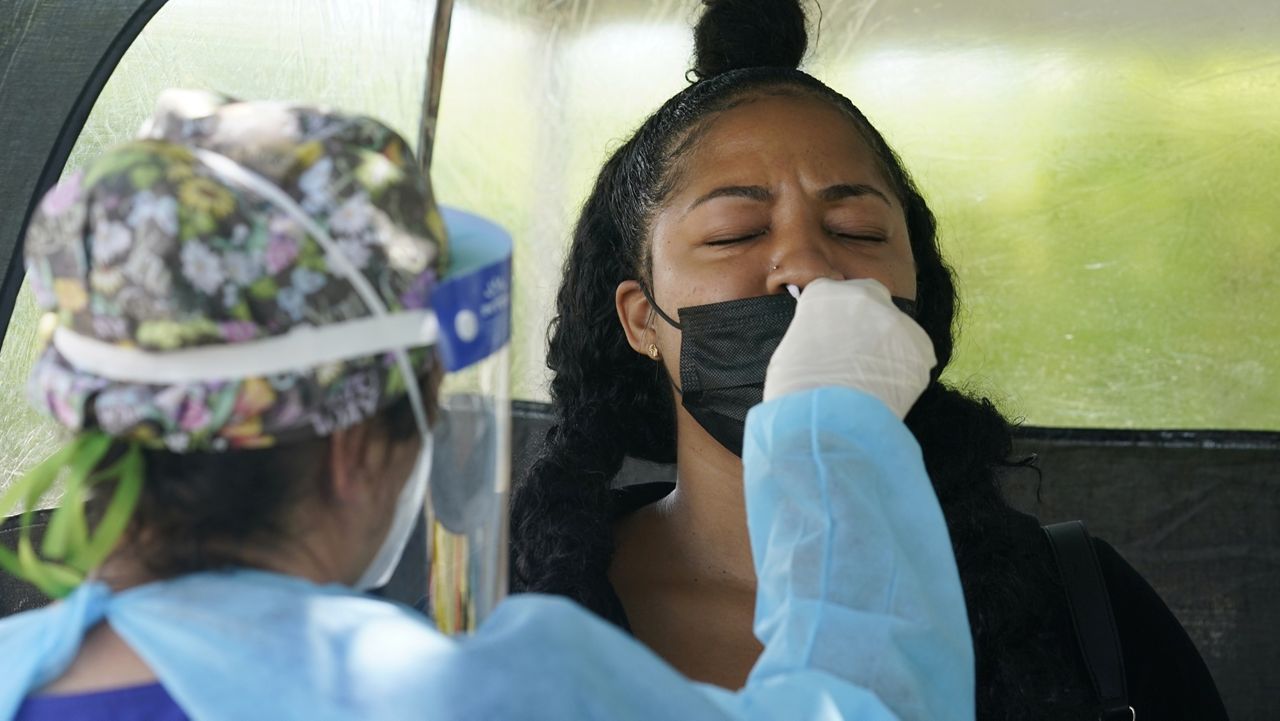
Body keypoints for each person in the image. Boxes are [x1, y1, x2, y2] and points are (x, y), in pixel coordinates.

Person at [0, 90, 976, 721]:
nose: (805, 266)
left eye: (851, 225)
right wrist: (834, 437)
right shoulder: (466, 691)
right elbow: (866, 705)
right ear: (353, 443)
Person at [509, 1, 1230, 719]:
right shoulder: (508, 616)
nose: (809, 267)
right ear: (640, 318)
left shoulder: (1084, 609)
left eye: (856, 228)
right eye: (735, 232)